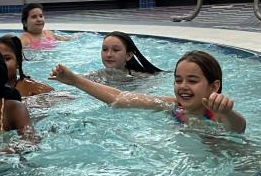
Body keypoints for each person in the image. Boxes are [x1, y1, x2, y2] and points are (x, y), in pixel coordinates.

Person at [50, 50, 246, 133]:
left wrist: (228, 112)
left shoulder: (217, 115)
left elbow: (238, 128)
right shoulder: (172, 106)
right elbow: (119, 98)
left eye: (192, 81)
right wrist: (75, 80)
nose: (183, 86)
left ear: (214, 86)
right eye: (178, 80)